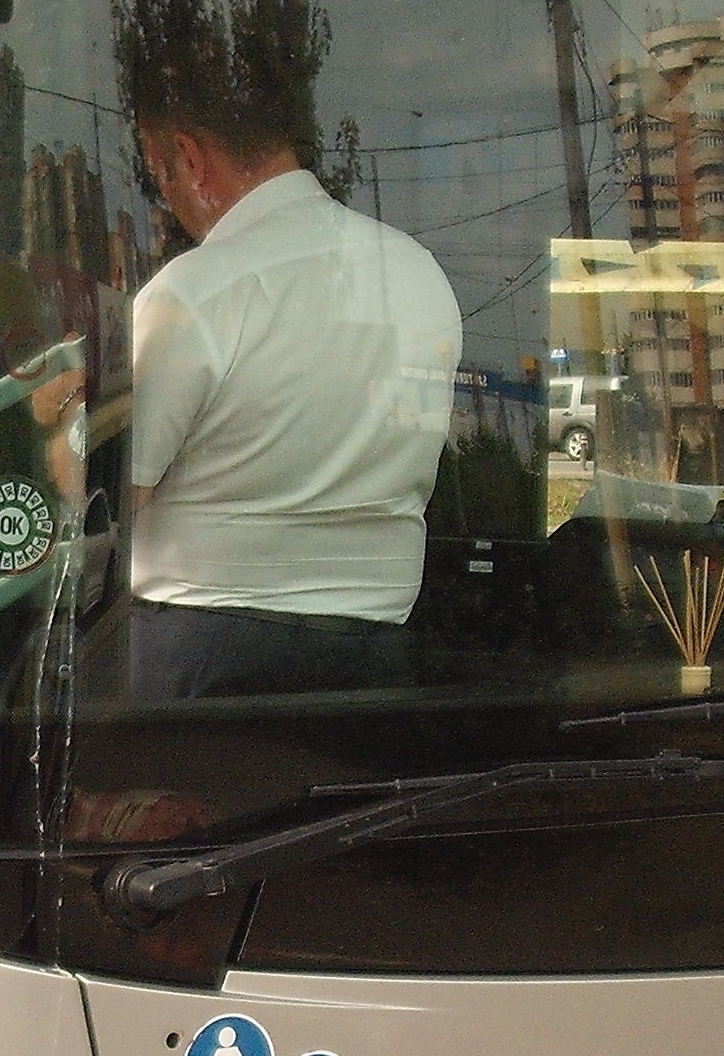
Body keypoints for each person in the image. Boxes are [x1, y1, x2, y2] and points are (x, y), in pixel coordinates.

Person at [75, 77, 459, 702]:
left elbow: (120, 493)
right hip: (379, 655)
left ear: (190, 159)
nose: (163, 198)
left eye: (157, 174)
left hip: (198, 651)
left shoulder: (195, 292)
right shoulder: (419, 276)